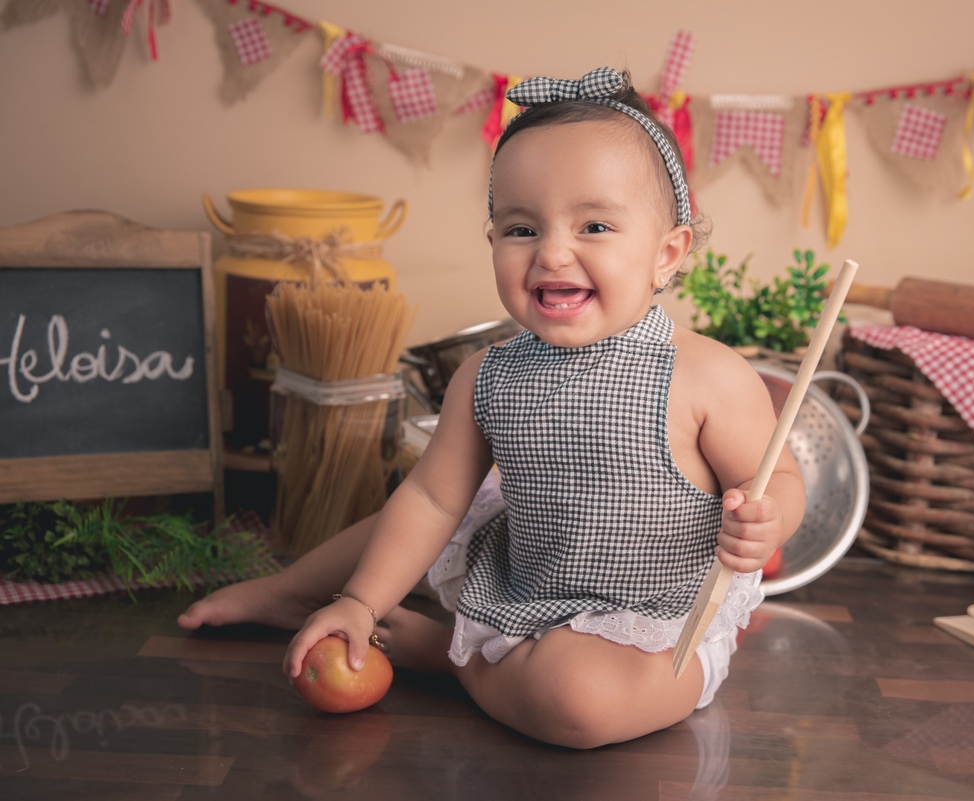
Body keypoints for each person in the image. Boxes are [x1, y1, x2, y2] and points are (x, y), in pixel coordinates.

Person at [179, 66, 806, 749]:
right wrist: (364, 597)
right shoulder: (488, 375)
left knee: (581, 703)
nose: (553, 253)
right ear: (493, 241)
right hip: (523, 573)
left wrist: (768, 521)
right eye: (521, 228)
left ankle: (453, 657)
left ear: (666, 254)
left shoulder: (708, 375)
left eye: (594, 225)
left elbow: (779, 477)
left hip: (653, 624)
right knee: (418, 515)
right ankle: (299, 592)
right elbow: (430, 500)